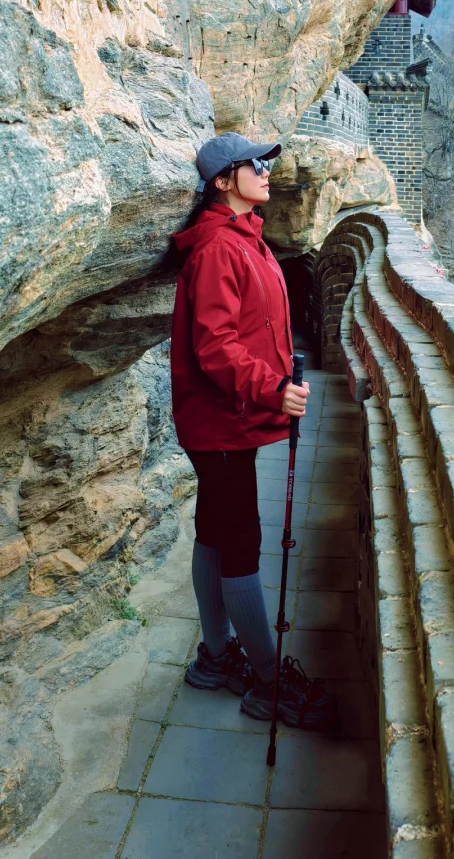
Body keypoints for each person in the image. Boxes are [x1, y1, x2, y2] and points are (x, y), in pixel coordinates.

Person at [170, 132, 338, 731]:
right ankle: (267, 678)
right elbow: (214, 346)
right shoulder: (220, 247)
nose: (267, 171)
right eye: (253, 165)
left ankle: (216, 658)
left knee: (216, 530)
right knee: (240, 538)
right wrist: (271, 388)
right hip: (219, 419)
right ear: (223, 181)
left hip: (225, 418)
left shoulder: (247, 237)